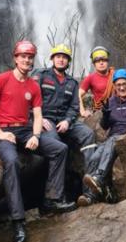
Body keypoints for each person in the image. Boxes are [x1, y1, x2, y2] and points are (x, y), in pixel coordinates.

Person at [0, 40, 75, 242]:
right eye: (23, 56)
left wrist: (35, 136)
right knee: (12, 162)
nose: (27, 60)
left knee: (60, 149)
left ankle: (52, 199)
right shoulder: (1, 79)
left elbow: (38, 115)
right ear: (15, 58)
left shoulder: (33, 85)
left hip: (25, 130)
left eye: (30, 57)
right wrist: (0, 133)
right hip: (4, 130)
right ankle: (18, 220)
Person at [78, 69, 126, 206]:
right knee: (94, 157)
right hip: (113, 138)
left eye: (125, 84)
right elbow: (105, 126)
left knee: (113, 140)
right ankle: (90, 196)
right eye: (118, 85)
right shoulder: (111, 101)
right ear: (115, 86)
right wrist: (105, 115)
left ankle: (99, 177)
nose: (122, 87)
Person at [34, 44, 98, 205]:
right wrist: (39, 119)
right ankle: (54, 197)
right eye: (58, 56)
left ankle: (91, 188)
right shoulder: (41, 76)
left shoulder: (73, 83)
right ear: (52, 58)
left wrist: (68, 120)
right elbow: (30, 100)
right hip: (46, 121)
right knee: (56, 145)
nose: (61, 59)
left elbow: (75, 107)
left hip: (65, 121)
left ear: (68, 61)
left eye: (64, 57)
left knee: (88, 134)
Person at [78, 46, 115, 118]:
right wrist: (82, 111)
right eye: (98, 61)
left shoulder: (115, 75)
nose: (101, 63)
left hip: (117, 108)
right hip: (100, 112)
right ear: (94, 63)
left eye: (103, 60)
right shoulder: (90, 78)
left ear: (107, 61)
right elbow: (78, 94)